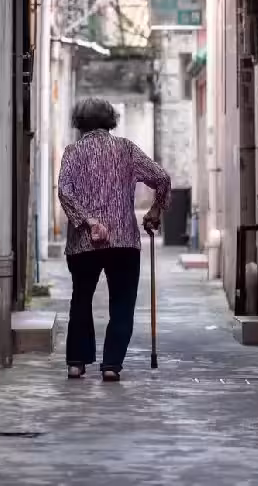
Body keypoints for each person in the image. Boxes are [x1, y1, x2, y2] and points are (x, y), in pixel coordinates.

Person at [57, 97, 171, 382]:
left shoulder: (72, 152)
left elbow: (64, 192)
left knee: (81, 299)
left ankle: (76, 363)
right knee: (122, 303)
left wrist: (89, 221)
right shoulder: (126, 149)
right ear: (110, 120)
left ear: (79, 122)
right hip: (123, 242)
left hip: (83, 243)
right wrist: (155, 210)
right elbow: (162, 178)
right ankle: (111, 365)